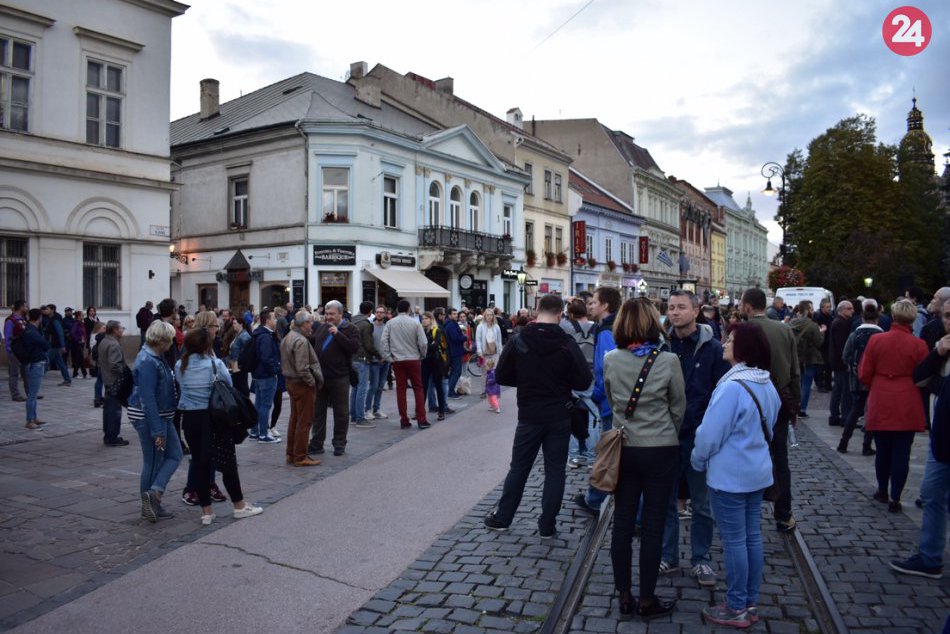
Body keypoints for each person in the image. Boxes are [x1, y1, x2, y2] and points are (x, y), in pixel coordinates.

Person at [598, 298, 685, 619]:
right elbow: (678, 407)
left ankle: (624, 595)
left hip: (625, 449)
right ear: (653, 324)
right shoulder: (669, 361)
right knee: (653, 526)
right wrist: (664, 431)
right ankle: (647, 599)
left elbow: (610, 400)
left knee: (622, 523)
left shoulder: (610, 359)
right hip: (661, 449)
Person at [693, 322, 780, 628]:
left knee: (734, 541)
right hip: (756, 473)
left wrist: (697, 458)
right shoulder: (765, 383)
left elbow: (709, 434)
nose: (725, 344)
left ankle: (737, 605)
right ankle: (750, 600)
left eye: (730, 340)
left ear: (743, 349)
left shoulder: (732, 386)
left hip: (730, 476)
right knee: (751, 537)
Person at [484, 294, 592, 538]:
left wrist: (524, 380)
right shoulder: (566, 341)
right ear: (560, 314)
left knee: (519, 468)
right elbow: (584, 380)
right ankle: (547, 525)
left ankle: (503, 518)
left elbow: (501, 375)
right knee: (555, 471)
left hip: (530, 414)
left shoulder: (520, 338)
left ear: (536, 310)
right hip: (558, 414)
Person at [659, 290, 730, 587]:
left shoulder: (712, 349)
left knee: (701, 504)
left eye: (681, 307)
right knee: (665, 501)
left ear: (696, 310)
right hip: (664, 436)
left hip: (699, 437)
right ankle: (668, 556)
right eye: (671, 308)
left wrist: (709, 429)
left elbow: (721, 392)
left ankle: (701, 559)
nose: (675, 312)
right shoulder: (661, 346)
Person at [175, 327, 263, 525]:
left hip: (190, 418)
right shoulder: (214, 364)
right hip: (213, 417)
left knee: (199, 463)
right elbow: (227, 384)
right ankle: (239, 505)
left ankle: (206, 511)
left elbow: (180, 385)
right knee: (227, 461)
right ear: (206, 345)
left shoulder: (180, 364)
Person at [890, 316, 950, 579]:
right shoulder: (939, 346)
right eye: (947, 315)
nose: (948, 321)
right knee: (930, 494)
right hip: (941, 435)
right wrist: (938, 353)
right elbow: (920, 377)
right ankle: (930, 557)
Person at [859, 299, 929, 512]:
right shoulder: (919, 345)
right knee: (902, 452)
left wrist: (878, 384)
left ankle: (882, 489)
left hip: (881, 395)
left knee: (883, 449)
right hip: (907, 397)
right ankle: (896, 496)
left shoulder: (877, 340)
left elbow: (864, 373)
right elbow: (924, 375)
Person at [740, 287, 800, 533]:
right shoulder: (785, 330)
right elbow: (795, 370)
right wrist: (795, 404)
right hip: (778, 401)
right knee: (780, 458)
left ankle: (745, 511)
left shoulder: (742, 332)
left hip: (747, 402)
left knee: (745, 455)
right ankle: (784, 514)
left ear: (747, 306)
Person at [127, 320, 181, 522]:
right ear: (163, 340)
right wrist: (156, 431)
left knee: (174, 455)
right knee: (153, 461)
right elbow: (147, 398)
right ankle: (150, 504)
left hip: (162, 414)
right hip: (151, 417)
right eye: (170, 339)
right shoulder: (148, 361)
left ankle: (154, 493)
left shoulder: (154, 357)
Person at [575, 285, 622, 515]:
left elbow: (607, 368)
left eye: (593, 302)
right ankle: (596, 497)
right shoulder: (616, 325)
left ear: (604, 306)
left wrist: (597, 395)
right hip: (619, 400)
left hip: (610, 404)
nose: (590, 306)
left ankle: (596, 499)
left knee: (607, 453)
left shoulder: (605, 330)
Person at [309, 300, 360, 455]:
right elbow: (313, 345)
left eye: (331, 314)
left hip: (340, 377)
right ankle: (317, 444)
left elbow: (353, 348)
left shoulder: (351, 328)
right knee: (318, 412)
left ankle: (339, 444)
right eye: (326, 313)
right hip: (321, 377)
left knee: (341, 413)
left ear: (340, 314)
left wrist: (338, 334)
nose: (328, 317)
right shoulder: (322, 328)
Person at [837, 300, 883, 454]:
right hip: (875, 380)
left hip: (856, 379)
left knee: (855, 410)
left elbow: (845, 356)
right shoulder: (881, 335)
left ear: (863, 318)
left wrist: (854, 366)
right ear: (877, 319)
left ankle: (843, 442)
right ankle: (866, 445)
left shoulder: (855, 334)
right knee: (871, 411)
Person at [280, 310, 323, 467]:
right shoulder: (300, 340)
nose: (311, 325)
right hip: (301, 383)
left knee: (295, 419)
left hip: (291, 382)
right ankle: (300, 456)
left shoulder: (288, 337)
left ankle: (291, 454)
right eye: (310, 322)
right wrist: (311, 382)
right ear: (304, 323)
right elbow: (302, 367)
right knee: (304, 421)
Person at [381, 299, 429, 430]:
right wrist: (422, 355)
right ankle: (421, 419)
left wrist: (389, 357)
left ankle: (404, 419)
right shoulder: (415, 323)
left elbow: (384, 341)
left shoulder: (390, 323)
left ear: (397, 309)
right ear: (408, 309)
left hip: (398, 359)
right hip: (413, 358)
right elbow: (423, 343)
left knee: (401, 389)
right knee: (418, 388)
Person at [250, 309, 282, 443]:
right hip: (266, 375)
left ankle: (254, 431)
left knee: (259, 404)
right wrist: (275, 370)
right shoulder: (266, 336)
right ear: (268, 321)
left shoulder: (260, 334)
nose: (276, 321)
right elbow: (267, 357)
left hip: (259, 374)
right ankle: (263, 434)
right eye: (274, 318)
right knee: (265, 405)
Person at [789, 301, 825, 418]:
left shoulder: (791, 323)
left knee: (796, 383)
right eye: (811, 308)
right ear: (808, 310)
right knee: (806, 384)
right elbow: (818, 342)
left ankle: (793, 407)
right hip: (810, 357)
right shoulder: (813, 325)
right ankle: (802, 409)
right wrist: (822, 333)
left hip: (795, 356)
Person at [97, 320, 130, 446]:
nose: (122, 330)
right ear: (115, 330)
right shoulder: (113, 344)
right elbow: (115, 365)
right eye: (121, 328)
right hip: (114, 381)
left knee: (109, 408)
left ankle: (109, 434)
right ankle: (112, 436)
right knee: (114, 410)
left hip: (108, 380)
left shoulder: (105, 341)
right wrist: (126, 373)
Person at [350, 301, 377, 428]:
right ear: (370, 311)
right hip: (362, 358)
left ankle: (354, 415)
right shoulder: (366, 324)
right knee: (362, 388)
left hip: (352, 357)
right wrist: (377, 354)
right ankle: (360, 417)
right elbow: (368, 344)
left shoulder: (352, 321)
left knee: (355, 388)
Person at [21, 308, 50, 430]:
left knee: (34, 393)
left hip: (35, 362)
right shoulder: (32, 331)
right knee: (32, 394)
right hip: (35, 363)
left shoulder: (30, 330)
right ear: (39, 318)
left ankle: (34, 417)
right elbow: (45, 344)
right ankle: (29, 420)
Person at [828, 300, 855, 427]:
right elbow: (841, 345)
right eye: (849, 308)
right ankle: (842, 416)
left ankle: (835, 415)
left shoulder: (840, 322)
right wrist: (846, 361)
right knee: (843, 391)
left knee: (838, 390)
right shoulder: (840, 323)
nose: (852, 310)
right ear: (842, 310)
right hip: (840, 363)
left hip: (837, 362)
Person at [420, 311, 449, 421]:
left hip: (436, 361)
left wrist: (424, 346)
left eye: (426, 318)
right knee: (423, 387)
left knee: (438, 386)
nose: (424, 320)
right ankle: (420, 411)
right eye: (422, 318)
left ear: (431, 320)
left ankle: (441, 411)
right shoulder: (422, 331)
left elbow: (435, 345)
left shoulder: (437, 330)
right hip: (425, 361)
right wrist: (427, 345)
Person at [365, 305, 390, 420]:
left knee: (380, 386)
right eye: (377, 312)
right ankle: (367, 409)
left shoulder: (387, 327)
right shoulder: (371, 327)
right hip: (374, 360)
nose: (379, 314)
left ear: (385, 314)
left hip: (386, 360)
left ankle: (377, 409)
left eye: (381, 312)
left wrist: (387, 356)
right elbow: (369, 344)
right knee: (373, 386)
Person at [475, 308, 503, 397]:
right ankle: (483, 391)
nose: (489, 317)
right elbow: (478, 340)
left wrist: (500, 351)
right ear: (484, 316)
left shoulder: (496, 326)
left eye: (491, 315)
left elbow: (499, 340)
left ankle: (495, 391)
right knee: (484, 372)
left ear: (493, 316)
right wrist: (479, 351)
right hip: (484, 351)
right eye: (487, 315)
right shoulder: (480, 326)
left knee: (495, 372)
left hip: (495, 352)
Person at [4, 299, 28, 402]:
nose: (27, 308)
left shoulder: (23, 319)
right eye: (26, 306)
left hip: (23, 351)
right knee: (14, 373)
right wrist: (9, 350)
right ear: (21, 307)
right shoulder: (11, 320)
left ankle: (30, 393)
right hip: (14, 351)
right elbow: (8, 336)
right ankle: (15, 394)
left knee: (26, 373)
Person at [44, 304, 71, 386]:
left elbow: (60, 333)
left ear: (52, 310)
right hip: (53, 344)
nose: (46, 311)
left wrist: (62, 345)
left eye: (47, 309)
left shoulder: (55, 320)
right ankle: (67, 379)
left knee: (46, 361)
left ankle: (36, 377)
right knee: (61, 363)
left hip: (54, 345)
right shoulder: (49, 319)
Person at [228, 318, 251, 396]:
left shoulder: (244, 335)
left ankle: (245, 403)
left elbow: (247, 351)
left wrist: (242, 364)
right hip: (235, 365)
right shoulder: (238, 334)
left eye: (235, 323)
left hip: (239, 365)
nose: (233, 325)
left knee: (242, 386)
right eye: (233, 323)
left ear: (241, 324)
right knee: (238, 386)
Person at [68, 309, 88, 379]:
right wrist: (78, 339)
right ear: (78, 316)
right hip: (76, 343)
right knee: (80, 358)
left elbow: (83, 333)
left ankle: (76, 373)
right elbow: (72, 333)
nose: (83, 316)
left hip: (80, 343)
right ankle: (83, 373)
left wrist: (84, 339)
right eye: (82, 315)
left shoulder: (80, 323)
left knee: (79, 358)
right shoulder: (76, 323)